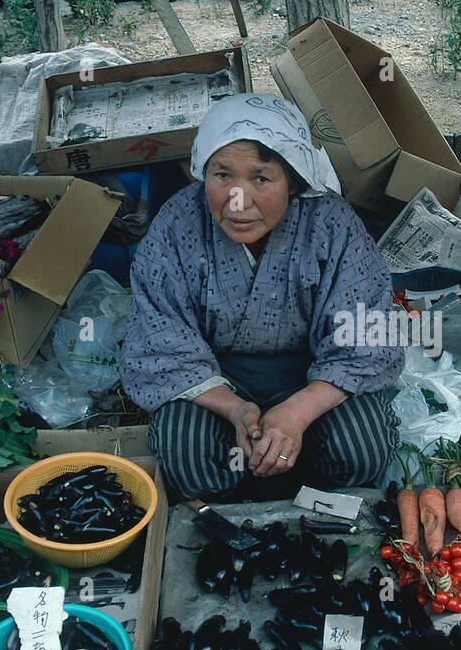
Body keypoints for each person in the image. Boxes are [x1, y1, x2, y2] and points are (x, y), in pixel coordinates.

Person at [121, 94, 404, 501]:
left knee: (360, 448)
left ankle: (316, 500)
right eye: (222, 176)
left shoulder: (331, 224)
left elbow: (364, 338)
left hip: (315, 378)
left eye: (261, 179)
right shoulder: (177, 225)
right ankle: (229, 512)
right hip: (212, 380)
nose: (238, 200)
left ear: (293, 180)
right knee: (185, 452)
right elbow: (160, 337)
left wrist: (296, 413)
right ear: (202, 173)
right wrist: (233, 407)